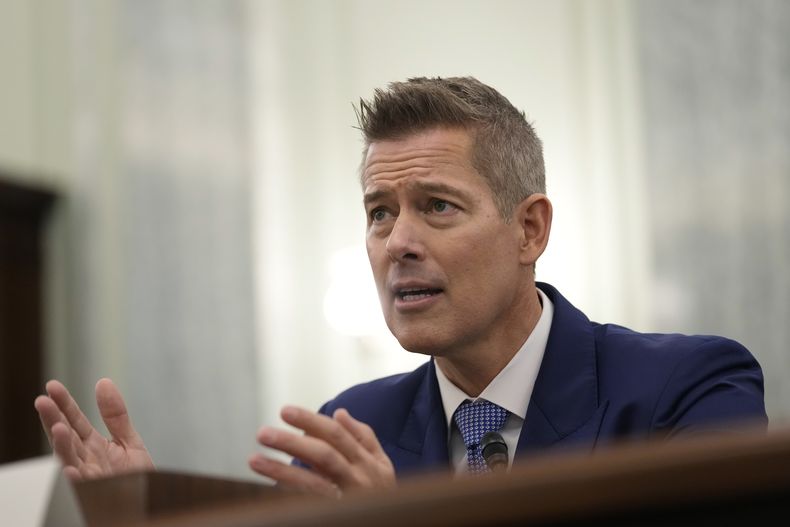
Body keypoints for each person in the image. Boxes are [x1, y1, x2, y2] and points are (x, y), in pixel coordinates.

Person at [35, 76, 767, 497]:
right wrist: (145, 513)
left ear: (530, 230)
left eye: (437, 207)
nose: (398, 243)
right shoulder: (351, 424)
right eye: (379, 213)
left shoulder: (688, 385)